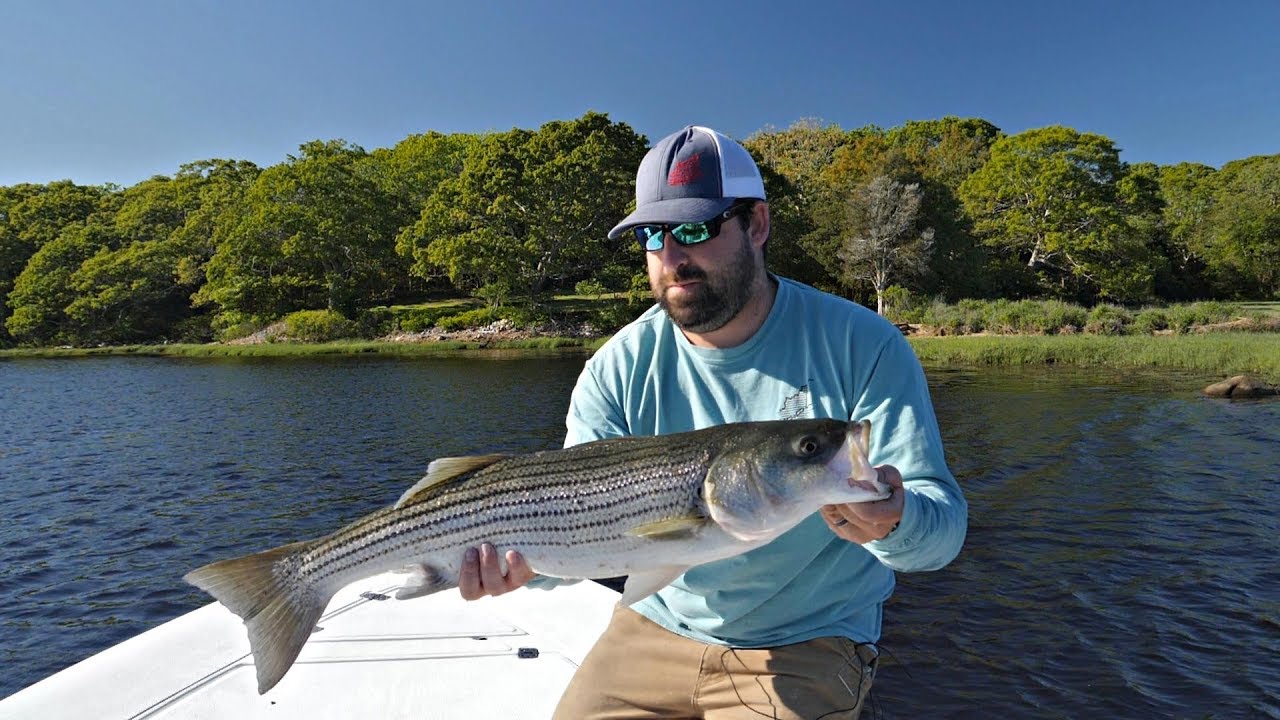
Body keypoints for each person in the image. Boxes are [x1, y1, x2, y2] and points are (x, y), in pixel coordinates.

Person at [457, 125, 968, 719]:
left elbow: (941, 534)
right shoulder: (616, 367)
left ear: (757, 224)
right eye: (652, 236)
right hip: (652, 625)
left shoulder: (863, 344)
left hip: (809, 639)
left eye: (696, 229)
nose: (673, 258)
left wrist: (893, 521)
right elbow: (579, 532)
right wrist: (521, 569)